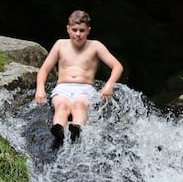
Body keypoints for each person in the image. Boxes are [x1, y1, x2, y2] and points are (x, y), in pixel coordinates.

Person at [34, 10, 124, 149]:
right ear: (68, 29)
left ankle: (77, 130)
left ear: (88, 30)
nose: (78, 34)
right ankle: (58, 132)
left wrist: (109, 85)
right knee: (62, 106)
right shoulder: (60, 45)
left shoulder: (95, 46)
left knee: (79, 106)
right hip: (62, 88)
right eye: (74, 30)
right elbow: (44, 70)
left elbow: (117, 66)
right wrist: (40, 89)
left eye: (82, 30)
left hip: (85, 89)